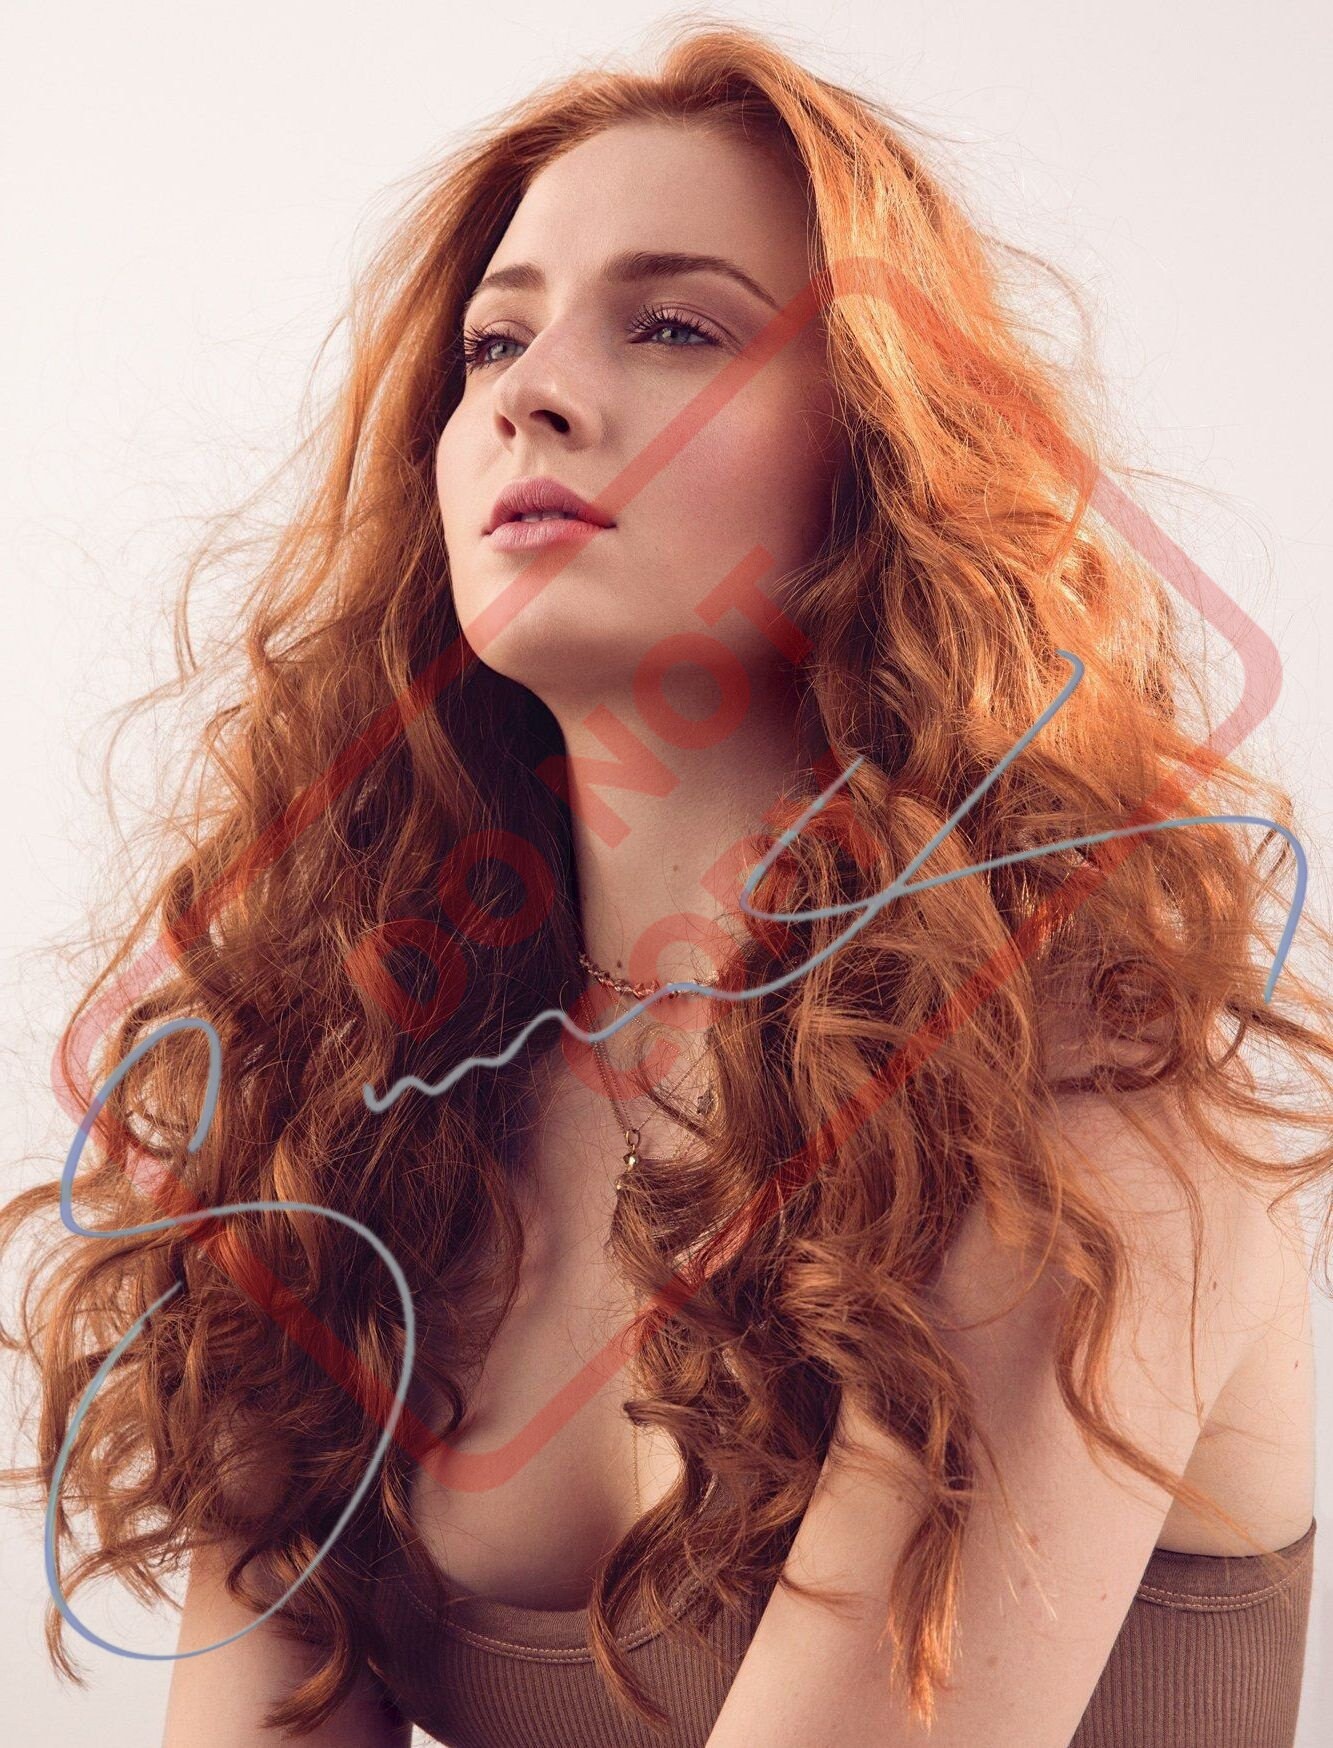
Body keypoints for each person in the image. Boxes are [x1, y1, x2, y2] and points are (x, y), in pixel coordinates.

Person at [1, 21, 1326, 1748]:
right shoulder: (341, 1116)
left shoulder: (1069, 1123)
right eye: (494, 340)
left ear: (879, 452)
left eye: (676, 326)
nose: (527, 393)